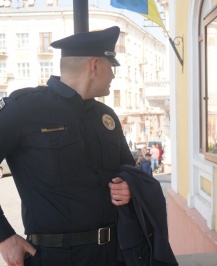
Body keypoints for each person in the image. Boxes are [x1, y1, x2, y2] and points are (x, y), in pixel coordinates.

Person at [0, 26, 153, 266]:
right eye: (111, 67)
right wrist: (4, 237)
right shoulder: (24, 109)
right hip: (55, 257)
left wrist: (129, 186)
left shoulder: (107, 116)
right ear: (94, 65)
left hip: (115, 254)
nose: (113, 76)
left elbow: (128, 170)